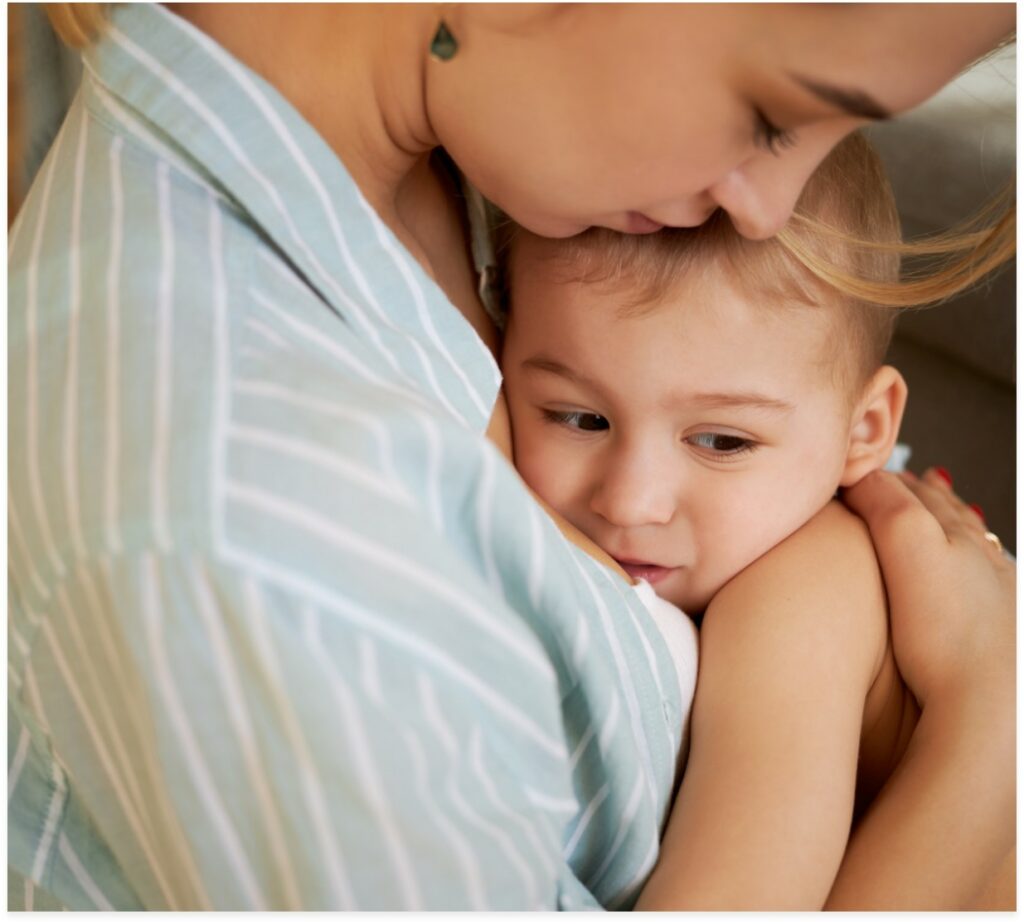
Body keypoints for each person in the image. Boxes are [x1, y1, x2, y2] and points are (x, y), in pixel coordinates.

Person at [7, 3, 1014, 911]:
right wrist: (985, 732)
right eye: (769, 112)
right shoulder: (243, 524)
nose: (760, 209)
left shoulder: (473, 163)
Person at [496, 131, 926, 904]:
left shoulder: (808, 592)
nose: (629, 502)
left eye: (723, 440)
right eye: (577, 417)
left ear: (862, 433)